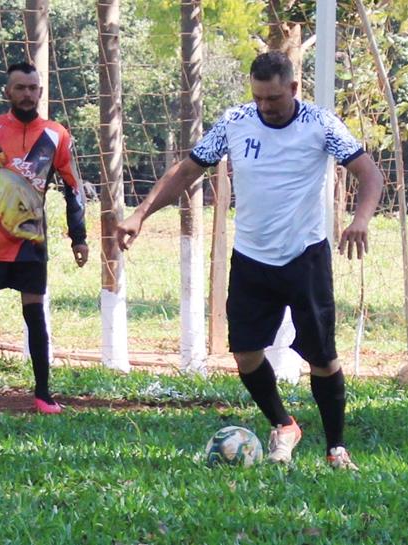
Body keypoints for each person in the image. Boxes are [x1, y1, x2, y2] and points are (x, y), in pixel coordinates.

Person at [116, 51, 384, 470]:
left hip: (305, 257)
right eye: (258, 97)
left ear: (293, 89)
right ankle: (284, 424)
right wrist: (140, 213)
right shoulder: (234, 122)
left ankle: (336, 448)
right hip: (252, 258)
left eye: (273, 98)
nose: (264, 106)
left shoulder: (321, 124)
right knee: (244, 353)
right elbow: (186, 171)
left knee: (322, 359)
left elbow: (369, 173)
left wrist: (360, 219)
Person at [0, 61, 88, 414]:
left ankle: (43, 392)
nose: (27, 94)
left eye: (33, 88)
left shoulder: (57, 135)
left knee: (35, 316)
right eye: (20, 88)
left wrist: (79, 237)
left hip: (32, 243)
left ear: (40, 92)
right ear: (8, 92)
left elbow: (73, 189)